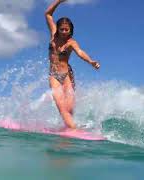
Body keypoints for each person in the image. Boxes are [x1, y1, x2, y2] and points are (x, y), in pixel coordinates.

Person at [45, 0, 100, 129]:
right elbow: (48, 14)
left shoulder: (71, 42)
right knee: (61, 105)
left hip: (67, 75)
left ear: (70, 31)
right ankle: (73, 129)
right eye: (62, 29)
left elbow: (80, 52)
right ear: (57, 29)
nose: (64, 32)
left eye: (67, 30)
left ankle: (68, 126)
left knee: (69, 107)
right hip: (54, 75)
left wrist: (91, 61)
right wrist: (59, 1)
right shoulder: (53, 35)